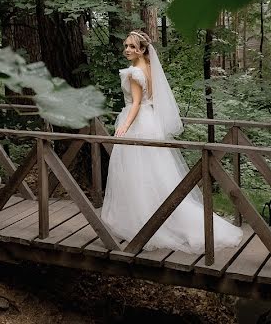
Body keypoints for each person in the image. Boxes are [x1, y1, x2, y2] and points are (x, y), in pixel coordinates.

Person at [100, 30, 243, 253]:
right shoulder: (149, 68)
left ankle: (144, 221)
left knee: (138, 174)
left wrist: (125, 126)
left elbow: (136, 103)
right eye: (126, 45)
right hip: (150, 123)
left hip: (137, 123)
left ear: (142, 49)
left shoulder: (134, 73)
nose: (127, 49)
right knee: (153, 173)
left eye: (132, 46)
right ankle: (153, 216)